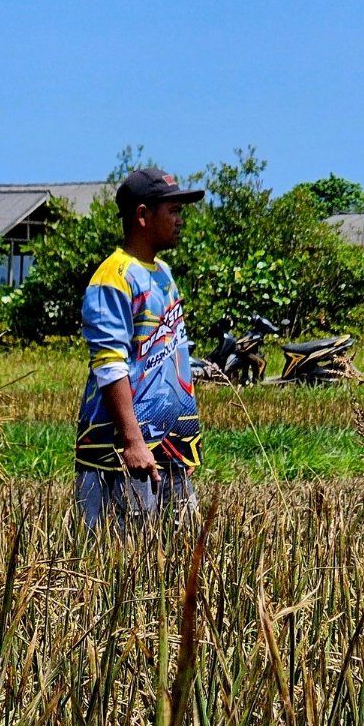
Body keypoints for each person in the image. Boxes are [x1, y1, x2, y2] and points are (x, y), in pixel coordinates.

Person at [74, 168, 205, 526]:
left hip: (169, 449)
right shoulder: (113, 276)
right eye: (173, 211)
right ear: (143, 215)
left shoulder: (162, 272)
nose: (180, 220)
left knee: (173, 562)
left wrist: (183, 441)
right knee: (120, 560)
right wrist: (133, 442)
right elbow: (109, 363)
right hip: (124, 454)